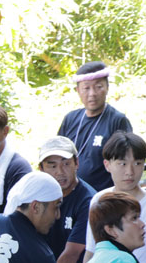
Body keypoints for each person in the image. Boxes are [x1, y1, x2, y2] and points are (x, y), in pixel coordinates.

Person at [83, 131, 146, 263]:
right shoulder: (99, 200)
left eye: (137, 163)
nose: (130, 172)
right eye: (122, 164)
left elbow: (145, 261)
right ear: (107, 165)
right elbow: (91, 251)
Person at [57, 61, 133, 192]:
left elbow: (126, 163)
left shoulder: (117, 120)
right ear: (78, 91)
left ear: (107, 87)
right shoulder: (70, 118)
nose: (92, 93)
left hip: (103, 195)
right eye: (86, 88)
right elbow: (56, 154)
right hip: (70, 194)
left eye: (98, 86)